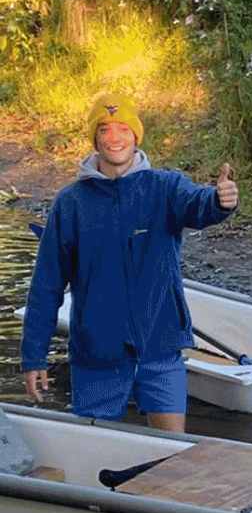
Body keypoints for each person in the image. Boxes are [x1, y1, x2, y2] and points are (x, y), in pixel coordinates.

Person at [20, 93, 238, 432]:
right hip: (97, 356)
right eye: (104, 129)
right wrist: (33, 356)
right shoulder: (70, 203)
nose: (114, 138)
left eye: (123, 128)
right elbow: (46, 288)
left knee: (171, 454)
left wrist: (219, 201)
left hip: (161, 348)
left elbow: (199, 205)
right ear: (94, 139)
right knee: (94, 458)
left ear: (136, 135)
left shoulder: (165, 186)